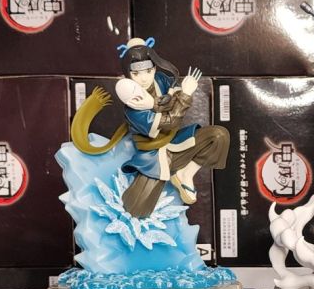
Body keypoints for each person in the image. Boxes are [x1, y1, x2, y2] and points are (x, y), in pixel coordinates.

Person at [70, 37, 229, 218]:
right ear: (128, 75)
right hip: (153, 157)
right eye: (136, 74)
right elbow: (171, 121)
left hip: (176, 142)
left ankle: (186, 174)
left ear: (154, 68)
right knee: (135, 210)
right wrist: (183, 96)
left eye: (148, 71)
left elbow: (175, 100)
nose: (144, 78)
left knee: (219, 136)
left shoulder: (161, 80)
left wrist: (159, 102)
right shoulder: (133, 108)